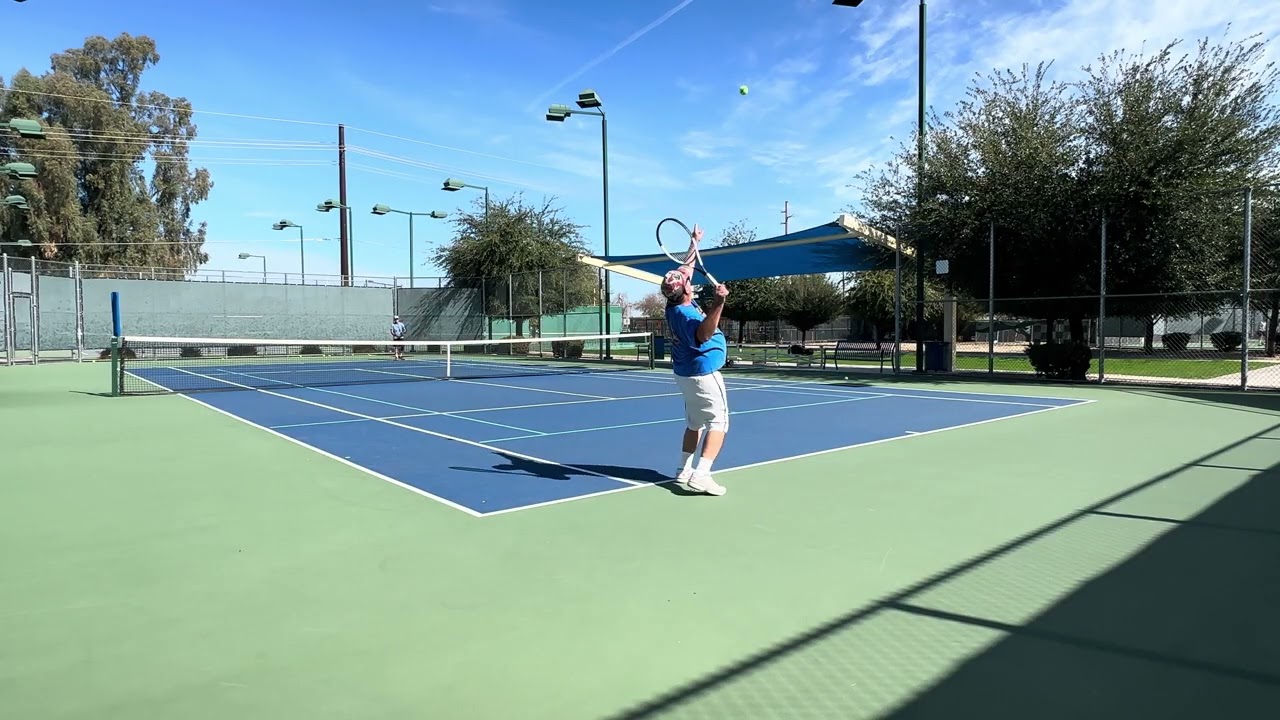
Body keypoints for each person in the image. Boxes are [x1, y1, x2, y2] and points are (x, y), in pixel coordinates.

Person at [660, 224, 731, 496]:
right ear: (686, 289)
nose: (687, 276)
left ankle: (683, 469)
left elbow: (685, 269)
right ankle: (702, 474)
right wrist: (719, 303)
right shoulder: (686, 315)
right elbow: (703, 335)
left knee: (694, 422)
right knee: (719, 422)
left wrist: (694, 243)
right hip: (703, 373)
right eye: (685, 279)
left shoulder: (675, 299)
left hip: (684, 373)